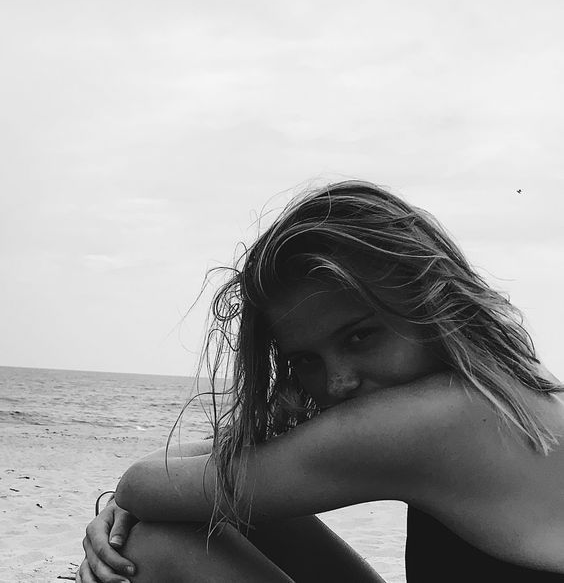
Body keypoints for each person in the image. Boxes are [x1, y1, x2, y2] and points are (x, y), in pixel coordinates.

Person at [77, 180, 564, 582]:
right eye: (305, 360)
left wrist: (124, 510)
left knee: (157, 548)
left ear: (434, 305)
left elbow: (145, 484)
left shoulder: (436, 418)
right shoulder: (518, 388)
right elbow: (210, 470)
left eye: (360, 337)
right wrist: (134, 502)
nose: (338, 382)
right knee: (238, 519)